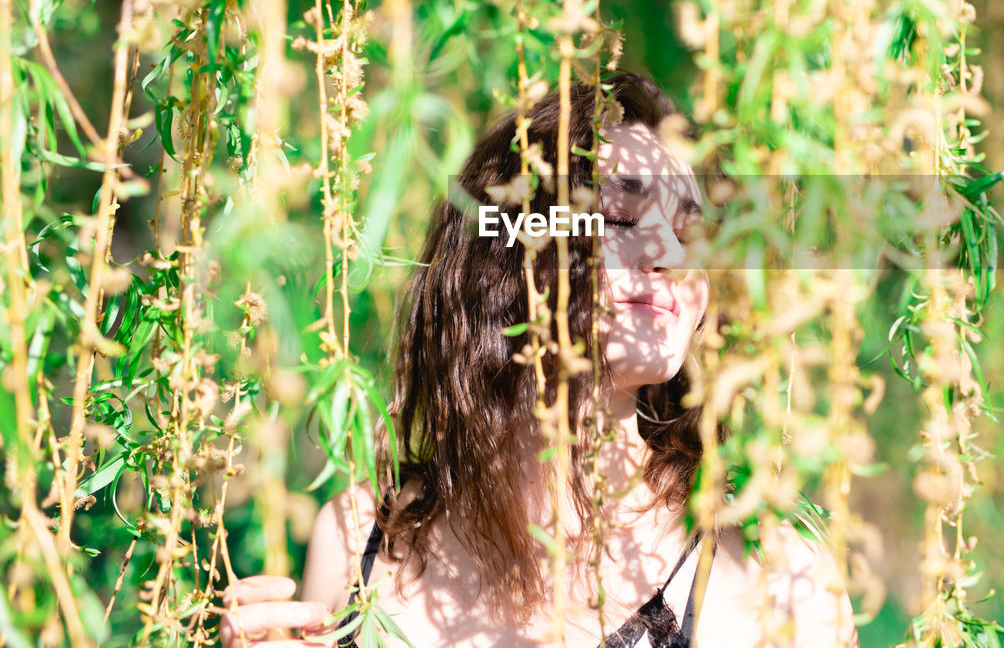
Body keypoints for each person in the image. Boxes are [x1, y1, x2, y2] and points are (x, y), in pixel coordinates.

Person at [218, 73, 858, 647]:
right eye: (620, 216)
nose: (669, 257)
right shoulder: (362, 537)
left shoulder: (775, 585)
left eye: (691, 234)